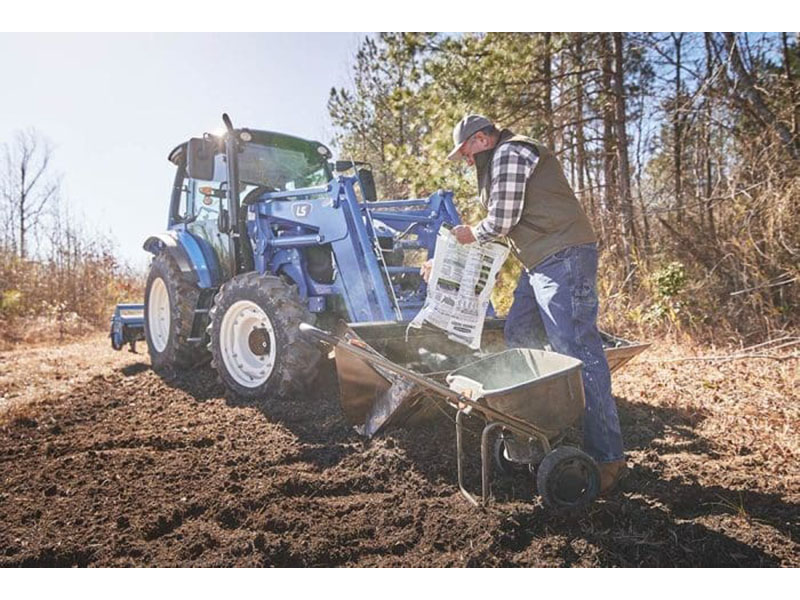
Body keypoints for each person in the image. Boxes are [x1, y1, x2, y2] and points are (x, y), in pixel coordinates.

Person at [422, 114, 626, 494]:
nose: (466, 160)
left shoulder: (510, 153)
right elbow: (501, 230)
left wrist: (468, 235)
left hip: (563, 257)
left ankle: (608, 456)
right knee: (519, 332)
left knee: (579, 351)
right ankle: (538, 428)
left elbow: (501, 220)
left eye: (466, 151)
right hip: (540, 264)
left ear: (482, 139)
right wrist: (445, 259)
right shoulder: (499, 159)